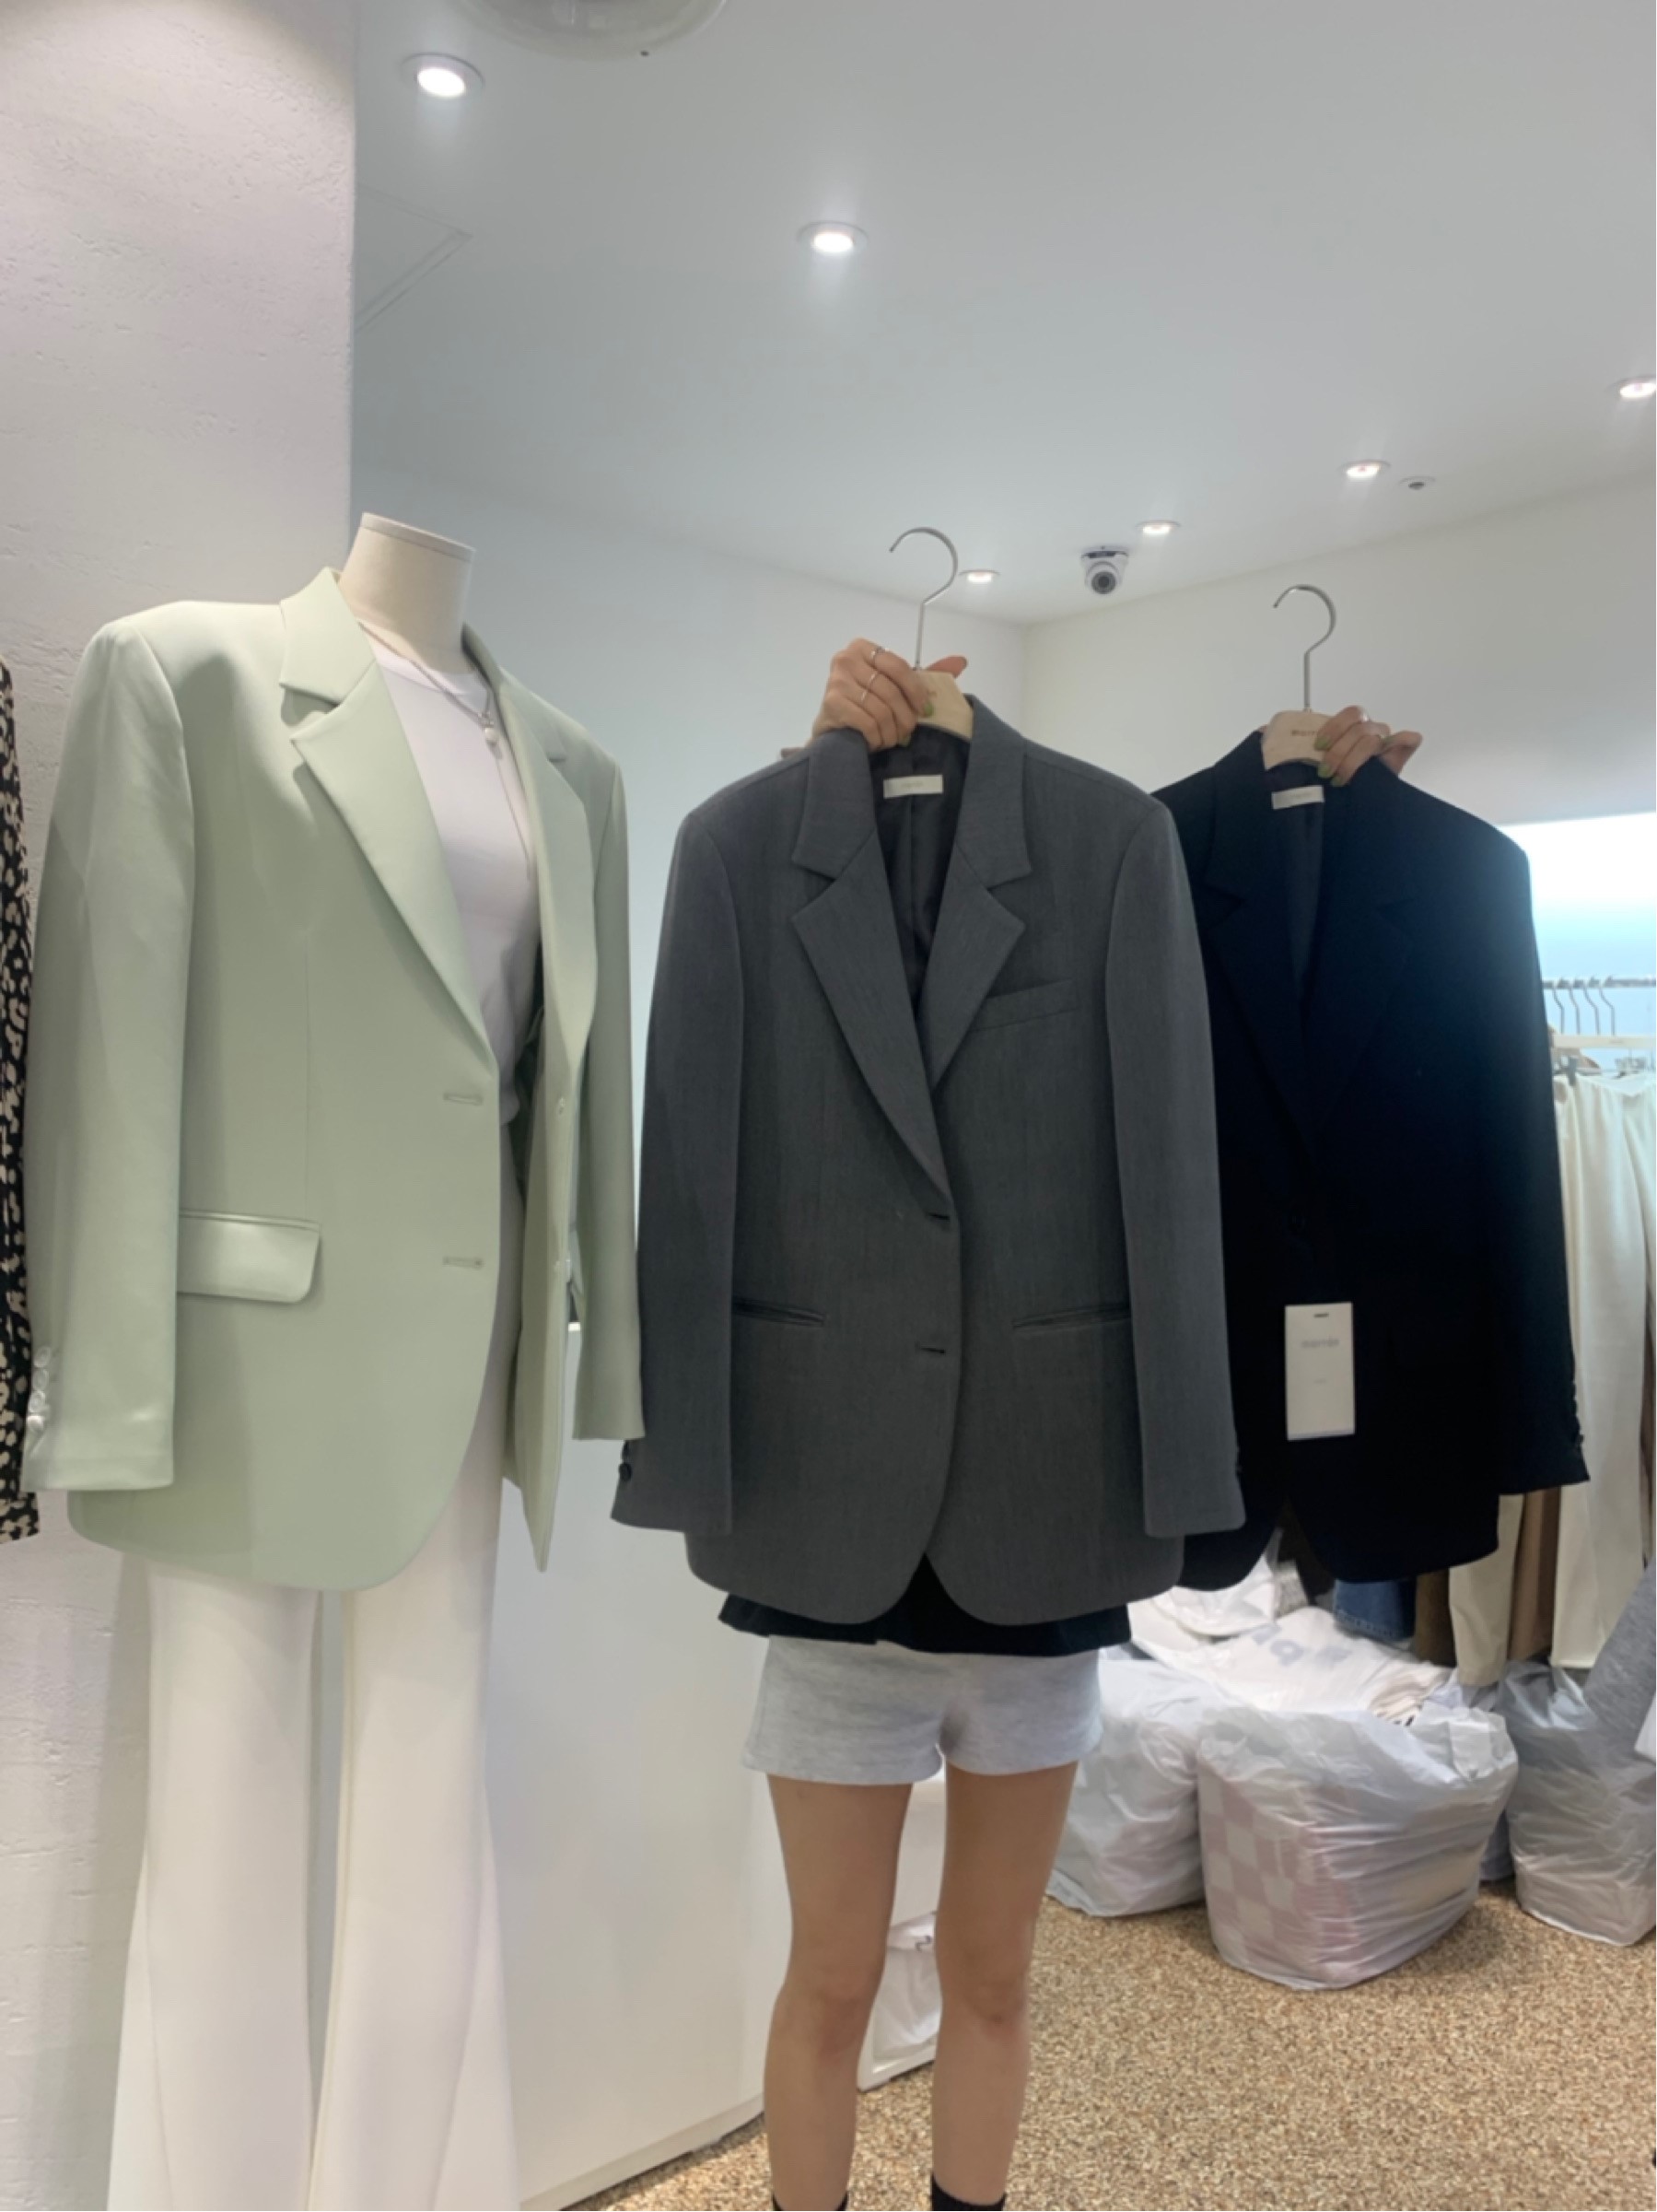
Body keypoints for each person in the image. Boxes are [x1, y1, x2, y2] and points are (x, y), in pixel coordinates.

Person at [741, 643, 1422, 2212]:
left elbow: (1172, 1175)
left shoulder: (1113, 841)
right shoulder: (760, 846)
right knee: (829, 1975)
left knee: (995, 1974)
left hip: (1041, 1529)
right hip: (833, 1543)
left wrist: (1182, 1479)